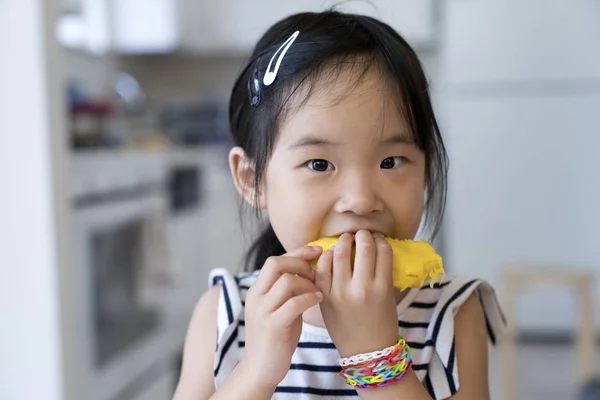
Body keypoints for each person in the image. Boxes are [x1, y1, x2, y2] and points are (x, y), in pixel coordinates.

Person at [173, 10, 505, 400]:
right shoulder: (225, 316)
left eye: (390, 162)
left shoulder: (452, 314)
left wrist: (375, 359)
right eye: (319, 164)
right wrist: (255, 374)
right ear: (252, 179)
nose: (361, 199)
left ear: (427, 169)